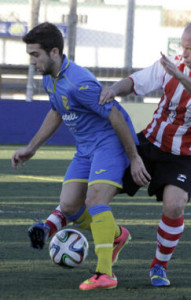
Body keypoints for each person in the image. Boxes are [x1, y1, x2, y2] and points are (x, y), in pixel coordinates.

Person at [11, 22, 150, 291]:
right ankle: (117, 235)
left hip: (109, 145)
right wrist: (31, 148)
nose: (32, 62)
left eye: (35, 55)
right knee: (70, 206)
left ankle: (104, 273)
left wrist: (134, 158)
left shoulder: (80, 82)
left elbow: (116, 116)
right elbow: (56, 112)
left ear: (54, 52)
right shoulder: (50, 78)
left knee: (95, 199)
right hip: (85, 149)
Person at [99, 20, 191, 287]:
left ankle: (159, 265)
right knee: (100, 189)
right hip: (151, 142)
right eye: (183, 47)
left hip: (188, 154)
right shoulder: (171, 64)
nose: (184, 54)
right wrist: (112, 91)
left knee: (174, 205)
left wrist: (181, 75)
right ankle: (110, 235)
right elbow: (135, 82)